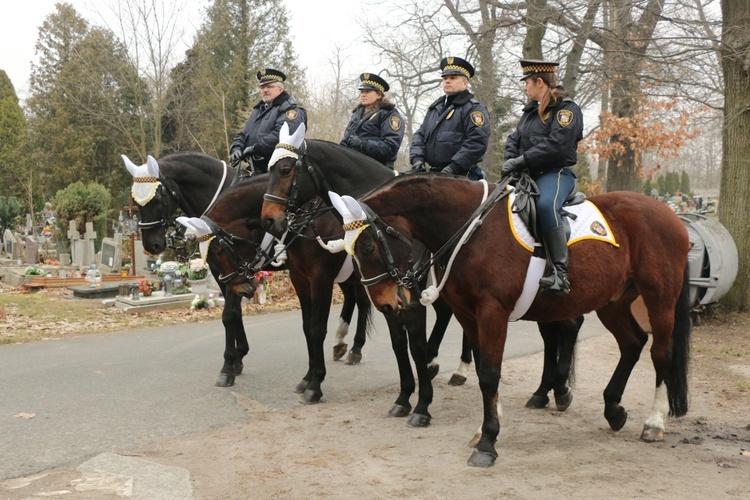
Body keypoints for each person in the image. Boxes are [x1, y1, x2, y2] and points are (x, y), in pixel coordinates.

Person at [501, 59, 584, 296]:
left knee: (546, 205)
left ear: (539, 82)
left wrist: (521, 160)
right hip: (527, 175)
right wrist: (510, 161)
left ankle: (561, 273)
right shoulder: (529, 112)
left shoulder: (566, 110)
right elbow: (514, 140)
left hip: (556, 173)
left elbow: (557, 145)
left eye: (527, 83)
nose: (525, 88)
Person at [409, 56, 490, 181]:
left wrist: (453, 167)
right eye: (445, 78)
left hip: (462, 174)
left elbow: (477, 142)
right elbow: (420, 135)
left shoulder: (474, 109)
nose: (447, 81)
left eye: (453, 78)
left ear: (465, 83)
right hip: (435, 174)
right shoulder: (435, 109)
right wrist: (417, 159)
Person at [229, 68, 307, 175]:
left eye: (269, 87)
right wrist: (236, 149)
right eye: (262, 87)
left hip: (278, 171)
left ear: (280, 89)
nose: (265, 90)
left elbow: (280, 136)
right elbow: (243, 134)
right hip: (254, 168)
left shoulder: (290, 109)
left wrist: (255, 149)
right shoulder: (258, 110)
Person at [340, 73, 404, 169]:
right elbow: (345, 141)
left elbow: (390, 148)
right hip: (353, 164)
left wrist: (363, 144)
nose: (363, 95)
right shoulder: (357, 114)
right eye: (362, 92)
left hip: (377, 168)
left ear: (378, 95)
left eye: (368, 91)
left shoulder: (389, 114)